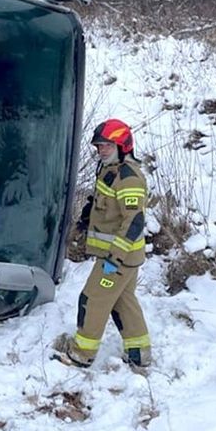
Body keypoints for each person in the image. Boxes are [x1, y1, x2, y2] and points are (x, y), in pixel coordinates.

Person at [52, 118, 151, 371]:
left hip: (118, 258)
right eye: (99, 146)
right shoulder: (110, 170)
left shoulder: (129, 177)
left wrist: (113, 258)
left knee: (93, 299)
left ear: (122, 145)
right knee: (123, 301)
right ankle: (139, 354)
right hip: (125, 257)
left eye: (107, 145)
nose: (101, 150)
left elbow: (134, 221)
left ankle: (81, 354)